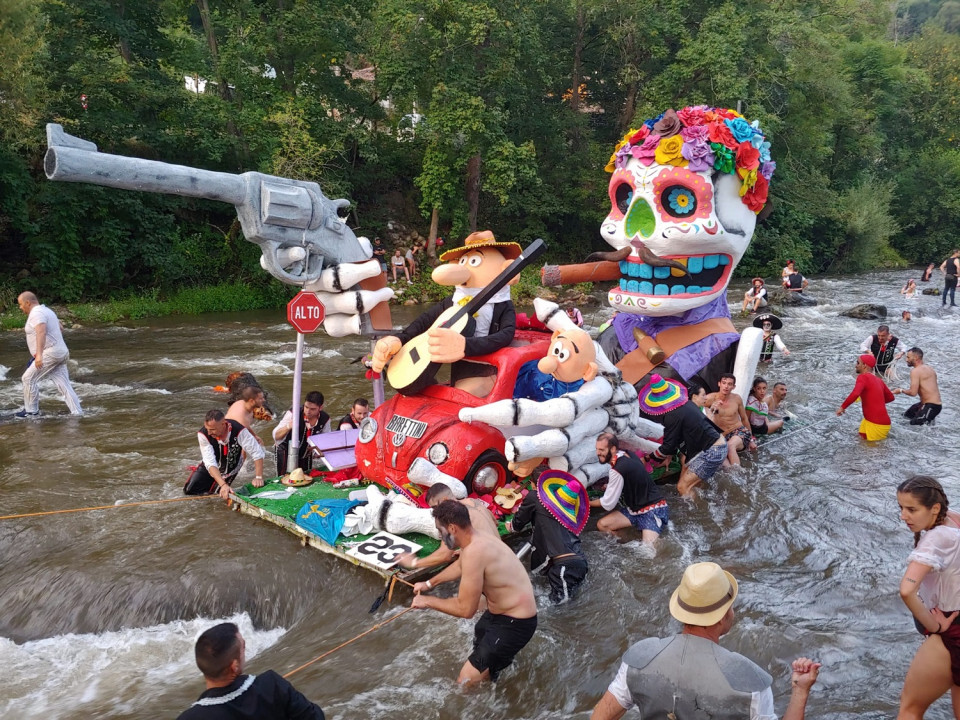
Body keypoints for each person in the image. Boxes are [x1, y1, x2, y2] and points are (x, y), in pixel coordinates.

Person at [589, 561, 820, 720]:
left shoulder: (640, 658)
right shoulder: (748, 682)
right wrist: (800, 691)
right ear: (722, 616)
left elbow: (601, 716)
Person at [372, 230, 520, 397]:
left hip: (488, 373)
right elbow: (425, 321)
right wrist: (400, 338)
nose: (465, 267)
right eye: (463, 261)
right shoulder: (454, 300)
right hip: (459, 373)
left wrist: (465, 346)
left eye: (474, 261)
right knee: (434, 394)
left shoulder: (502, 304)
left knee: (462, 394)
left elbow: (506, 335)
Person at [410, 500, 538, 684]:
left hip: (517, 622)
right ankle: (493, 677)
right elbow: (459, 566)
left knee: (465, 680)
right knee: (481, 637)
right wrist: (429, 583)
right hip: (501, 614)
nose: (440, 535)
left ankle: (487, 706)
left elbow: (466, 610)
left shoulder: (474, 552)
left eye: (441, 531)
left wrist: (428, 601)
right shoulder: (476, 540)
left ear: (452, 528)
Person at [895, 476, 960, 720]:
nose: (903, 516)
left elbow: (906, 590)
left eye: (911, 509)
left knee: (910, 709)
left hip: (951, 635)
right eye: (901, 508)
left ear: (934, 509)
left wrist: (935, 626)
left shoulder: (935, 538)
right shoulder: (953, 517)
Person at [176, 622, 325, 720]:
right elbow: (316, 717)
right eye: (243, 647)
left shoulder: (190, 717)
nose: (244, 651)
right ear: (234, 666)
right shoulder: (272, 685)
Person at [508, 470, 590, 603]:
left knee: (558, 609)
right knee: (571, 603)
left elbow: (518, 524)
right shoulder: (563, 506)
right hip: (580, 562)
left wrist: (510, 525)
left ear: (535, 485)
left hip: (563, 566)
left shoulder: (535, 495)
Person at [639, 375, 727, 498]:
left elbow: (668, 446)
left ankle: (699, 513)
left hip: (712, 451)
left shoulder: (671, 415)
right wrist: (668, 455)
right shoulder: (686, 404)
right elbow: (675, 439)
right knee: (692, 483)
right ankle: (702, 502)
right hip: (717, 446)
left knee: (682, 487)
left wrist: (647, 458)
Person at [396, 482, 499, 571]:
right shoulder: (474, 501)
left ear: (445, 499)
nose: (436, 512)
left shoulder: (453, 516)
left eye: (436, 507)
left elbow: (444, 555)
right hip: (503, 557)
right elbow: (495, 523)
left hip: (491, 570)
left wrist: (414, 562)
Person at [591, 433, 668, 552]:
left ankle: (643, 540)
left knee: (648, 551)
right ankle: (629, 543)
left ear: (613, 449)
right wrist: (610, 485)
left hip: (653, 509)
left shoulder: (617, 469)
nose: (598, 453)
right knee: (603, 525)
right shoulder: (627, 454)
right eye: (597, 449)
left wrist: (586, 502)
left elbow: (608, 504)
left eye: (602, 450)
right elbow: (633, 475)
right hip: (635, 510)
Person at [15, 291, 83, 417]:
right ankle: (78, 413)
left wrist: (39, 355)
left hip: (51, 353)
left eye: (20, 304)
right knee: (64, 385)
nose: (20, 307)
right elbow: (60, 327)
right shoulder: (47, 310)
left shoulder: (36, 313)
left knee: (28, 379)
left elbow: (41, 331)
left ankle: (31, 412)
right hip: (60, 351)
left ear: (27, 303)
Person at [185, 409, 265, 499]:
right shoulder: (203, 434)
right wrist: (223, 484)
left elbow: (257, 452)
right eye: (207, 429)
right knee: (189, 491)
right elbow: (209, 462)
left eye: (212, 429)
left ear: (223, 424)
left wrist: (258, 477)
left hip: (230, 467)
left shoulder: (239, 430)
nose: (209, 433)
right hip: (210, 465)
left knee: (216, 496)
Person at [836, 354, 895, 441]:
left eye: (858, 363)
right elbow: (890, 397)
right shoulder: (879, 380)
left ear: (864, 365)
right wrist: (874, 400)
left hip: (876, 423)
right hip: (870, 420)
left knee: (873, 452)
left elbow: (855, 393)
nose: (856, 365)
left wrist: (842, 407)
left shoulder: (862, 377)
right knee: (861, 441)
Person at [273, 391, 331, 476]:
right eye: (306, 407)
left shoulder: (325, 419)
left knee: (305, 477)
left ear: (321, 407)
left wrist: (318, 451)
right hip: (286, 451)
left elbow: (326, 439)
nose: (308, 411)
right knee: (284, 478)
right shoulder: (293, 414)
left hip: (306, 453)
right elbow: (276, 436)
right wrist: (289, 426)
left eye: (312, 409)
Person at [704, 373, 755, 465]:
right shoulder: (709, 399)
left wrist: (751, 440)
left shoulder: (737, 398)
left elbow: (744, 419)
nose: (726, 386)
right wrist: (711, 409)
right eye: (724, 383)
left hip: (739, 431)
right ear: (719, 384)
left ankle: (737, 475)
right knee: (720, 457)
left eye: (729, 384)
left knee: (730, 446)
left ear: (733, 387)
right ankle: (731, 474)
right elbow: (696, 412)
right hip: (722, 436)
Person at [893, 347, 942, 426]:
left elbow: (913, 393)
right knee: (906, 416)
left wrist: (901, 390)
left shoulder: (915, 371)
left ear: (916, 358)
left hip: (932, 406)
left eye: (908, 357)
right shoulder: (929, 368)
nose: (906, 360)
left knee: (914, 424)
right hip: (925, 404)